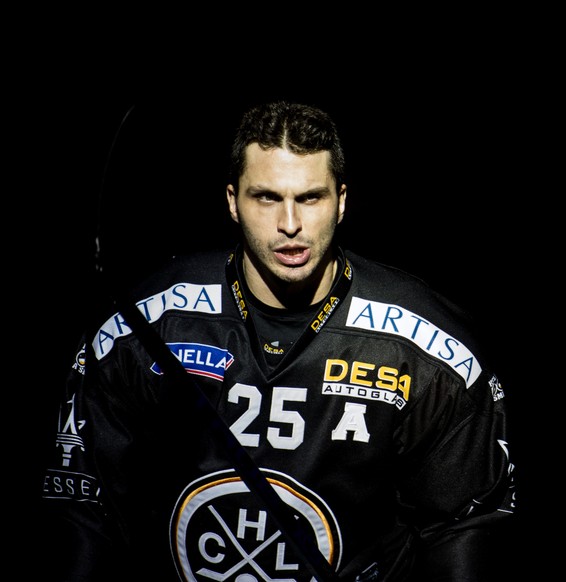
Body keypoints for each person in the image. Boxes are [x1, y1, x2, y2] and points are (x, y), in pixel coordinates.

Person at [39, 100, 517, 581]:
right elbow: (83, 508)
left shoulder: (431, 355)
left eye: (310, 197)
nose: (290, 224)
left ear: (343, 200)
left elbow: (465, 529)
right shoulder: (142, 328)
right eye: (266, 197)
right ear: (231, 200)